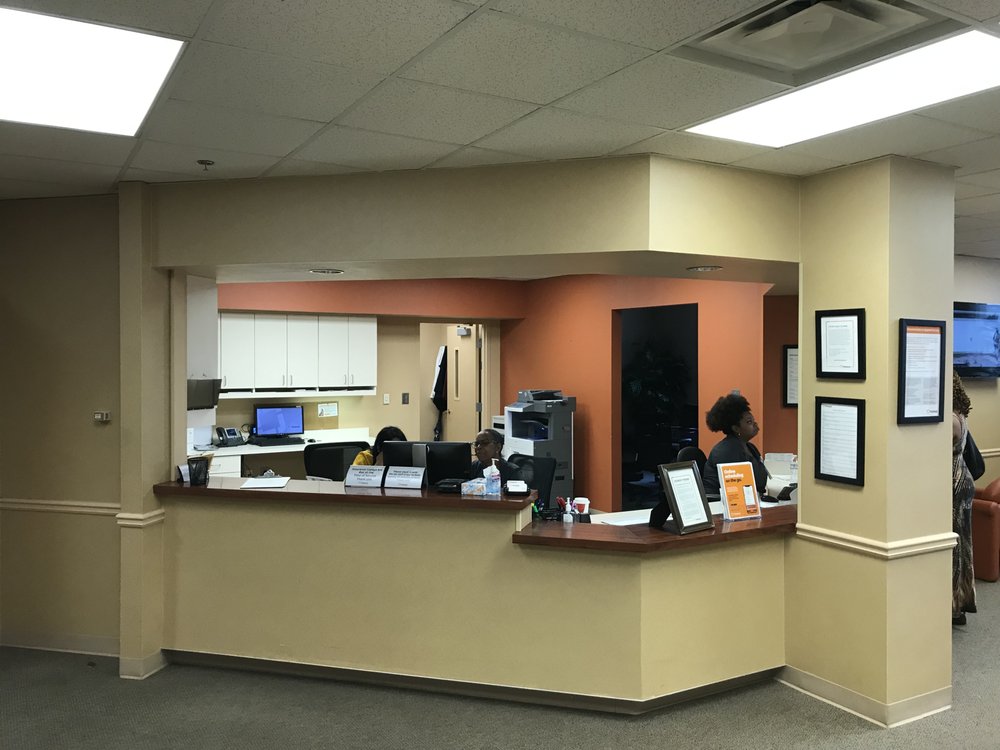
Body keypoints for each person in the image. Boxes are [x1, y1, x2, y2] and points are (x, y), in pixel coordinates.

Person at [701, 393, 768, 498]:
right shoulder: (726, 451)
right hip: (718, 502)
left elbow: (761, 481)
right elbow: (754, 483)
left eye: (753, 421)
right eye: (749, 422)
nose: (755, 424)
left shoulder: (750, 447)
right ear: (736, 428)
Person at [952, 372, 977, 625]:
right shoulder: (960, 413)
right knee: (961, 545)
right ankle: (960, 603)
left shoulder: (949, 419)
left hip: (955, 483)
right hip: (962, 480)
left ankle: (955, 606)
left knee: (956, 547)